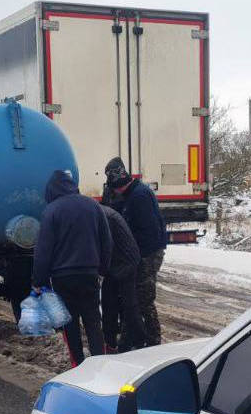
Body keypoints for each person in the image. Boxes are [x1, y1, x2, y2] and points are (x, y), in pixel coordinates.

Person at [32, 170, 112, 366]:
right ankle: (99, 363)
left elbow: (43, 250)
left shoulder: (51, 211)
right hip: (89, 273)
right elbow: (107, 241)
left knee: (69, 323)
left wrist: (39, 282)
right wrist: (102, 268)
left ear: (51, 191)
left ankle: (77, 364)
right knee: (93, 319)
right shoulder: (93, 206)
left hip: (63, 277)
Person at [104, 157, 167, 346]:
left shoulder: (139, 197)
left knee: (143, 299)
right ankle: (133, 338)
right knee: (133, 298)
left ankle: (153, 341)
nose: (113, 192)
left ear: (119, 183)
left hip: (148, 254)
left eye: (114, 189)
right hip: (139, 254)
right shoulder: (129, 195)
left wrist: (133, 258)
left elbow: (146, 232)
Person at [100, 202, 143, 353]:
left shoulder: (104, 218)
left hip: (123, 262)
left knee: (125, 304)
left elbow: (105, 246)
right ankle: (114, 341)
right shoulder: (104, 214)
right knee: (112, 303)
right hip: (122, 260)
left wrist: (100, 269)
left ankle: (138, 341)